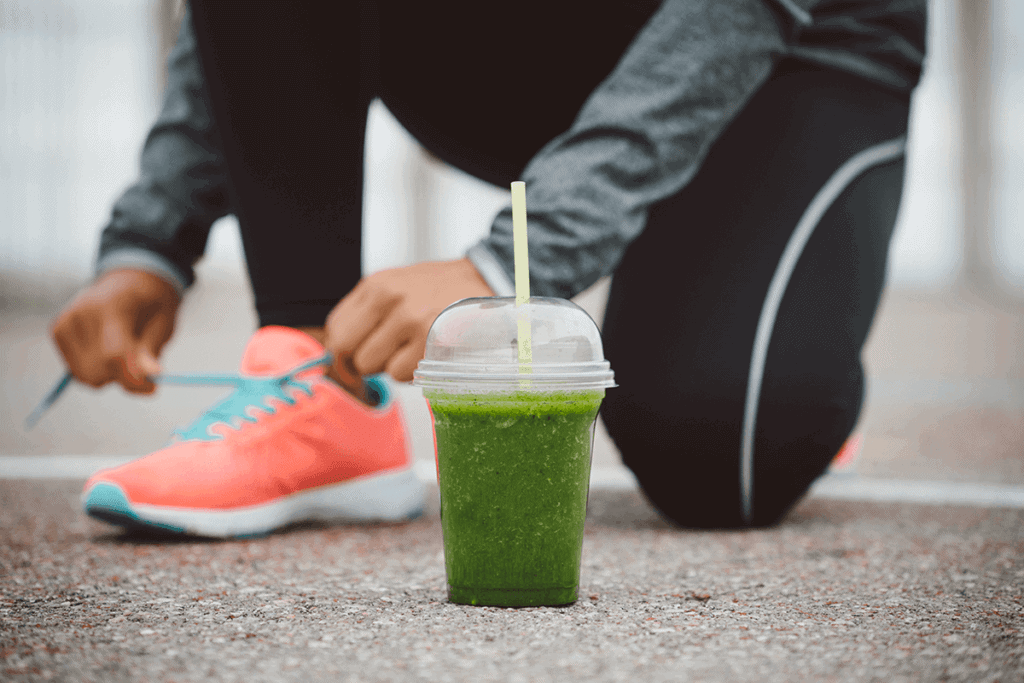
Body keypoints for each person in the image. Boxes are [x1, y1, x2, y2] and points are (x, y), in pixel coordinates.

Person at [50, 0, 926, 535]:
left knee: (721, 452)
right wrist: (154, 235)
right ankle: (319, 385)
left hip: (794, 45)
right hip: (553, 39)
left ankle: (772, 308)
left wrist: (508, 260)